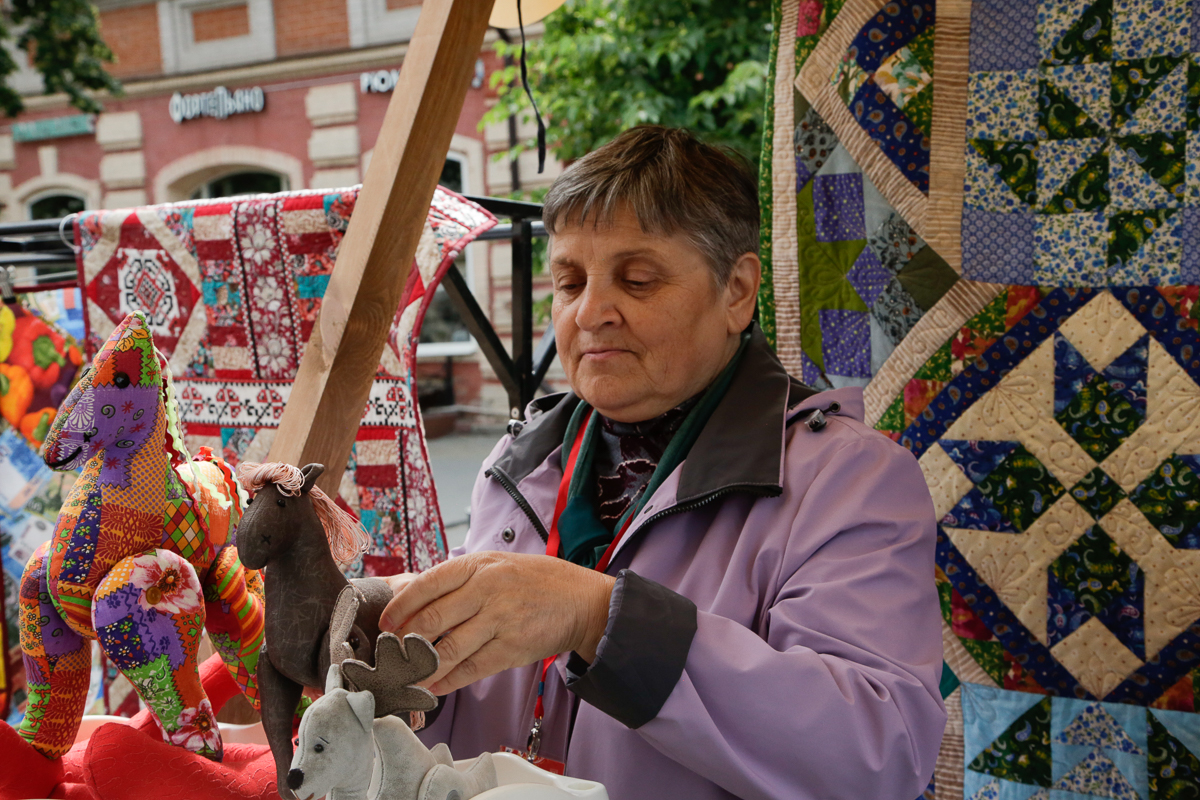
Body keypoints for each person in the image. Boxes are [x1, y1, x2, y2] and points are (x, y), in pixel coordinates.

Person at [380, 126, 946, 800]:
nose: (591, 312)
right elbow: (471, 706)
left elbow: (878, 755)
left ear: (737, 291)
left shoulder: (849, 481)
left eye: (638, 279)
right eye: (569, 281)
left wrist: (598, 619)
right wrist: (383, 652)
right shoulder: (520, 460)